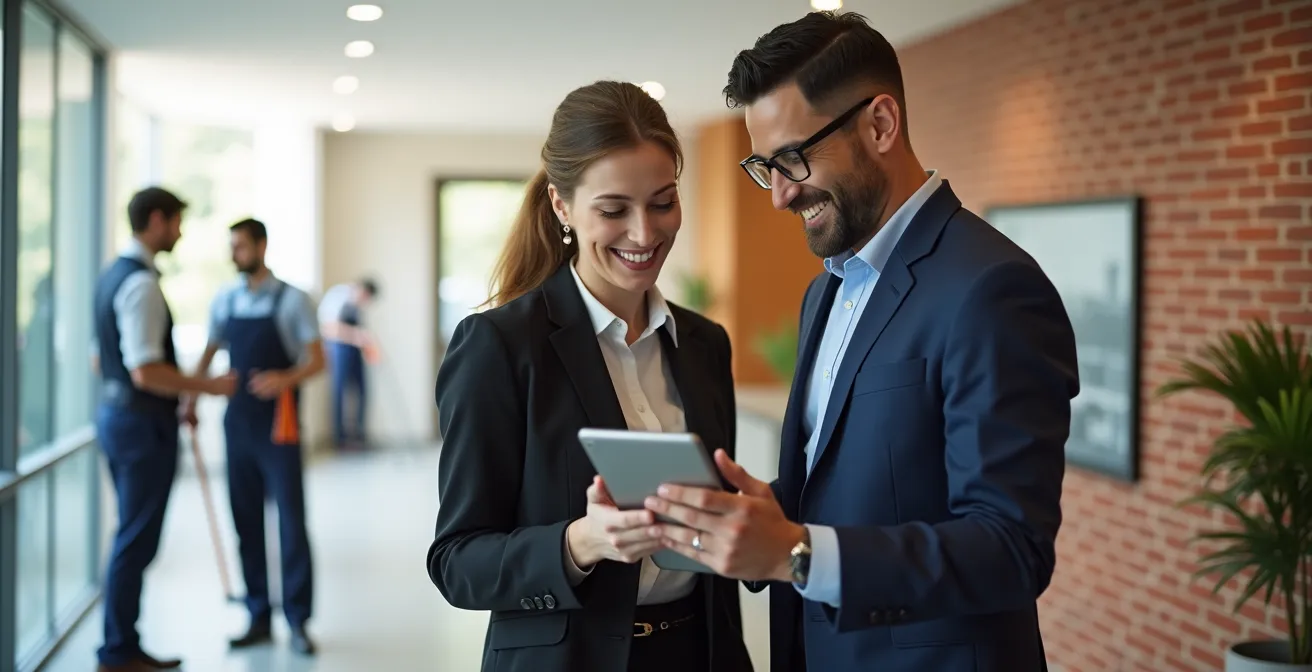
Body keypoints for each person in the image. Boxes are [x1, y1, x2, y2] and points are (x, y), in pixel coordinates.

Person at [643, 12, 1080, 672]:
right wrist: (767, 512)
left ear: (880, 125)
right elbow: (857, 483)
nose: (780, 195)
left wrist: (799, 554)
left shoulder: (993, 289)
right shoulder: (827, 290)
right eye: (766, 166)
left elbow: (1011, 547)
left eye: (793, 158)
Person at [426, 81, 754, 672]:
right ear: (561, 206)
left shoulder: (705, 344)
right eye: (613, 210)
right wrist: (582, 542)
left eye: (662, 202)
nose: (645, 233)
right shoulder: (500, 347)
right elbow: (457, 561)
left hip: (700, 653)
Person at [93, 187, 237, 672]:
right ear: (156, 220)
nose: (179, 232)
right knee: (136, 540)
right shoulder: (142, 285)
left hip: (118, 417)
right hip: (139, 425)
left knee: (130, 537)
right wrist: (208, 387)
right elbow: (146, 372)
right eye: (176, 222)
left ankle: (121, 644)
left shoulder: (111, 276)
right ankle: (119, 651)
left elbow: (103, 361)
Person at [186, 218, 325, 656]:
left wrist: (285, 377)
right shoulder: (225, 299)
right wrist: (190, 398)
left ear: (262, 246)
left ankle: (298, 620)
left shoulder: (292, 300)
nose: (234, 255)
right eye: (231, 247)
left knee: (290, 522)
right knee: (245, 522)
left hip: (279, 426)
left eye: (241, 246)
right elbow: (210, 353)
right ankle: (258, 615)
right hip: (238, 425)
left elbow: (317, 361)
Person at [317, 277, 378, 449]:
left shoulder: (357, 307)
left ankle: (358, 434)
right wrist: (355, 336)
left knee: (362, 389)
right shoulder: (338, 296)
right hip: (338, 347)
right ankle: (339, 438)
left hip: (354, 349)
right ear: (361, 290)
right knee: (339, 390)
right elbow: (328, 327)